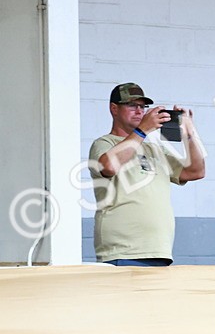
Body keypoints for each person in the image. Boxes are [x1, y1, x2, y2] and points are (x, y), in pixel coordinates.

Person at [88, 82, 207, 266]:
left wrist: (189, 133)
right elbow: (108, 167)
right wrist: (142, 129)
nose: (139, 111)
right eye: (132, 105)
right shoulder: (104, 143)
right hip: (121, 251)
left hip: (159, 250)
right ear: (114, 109)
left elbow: (196, 171)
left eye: (143, 107)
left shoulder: (154, 149)